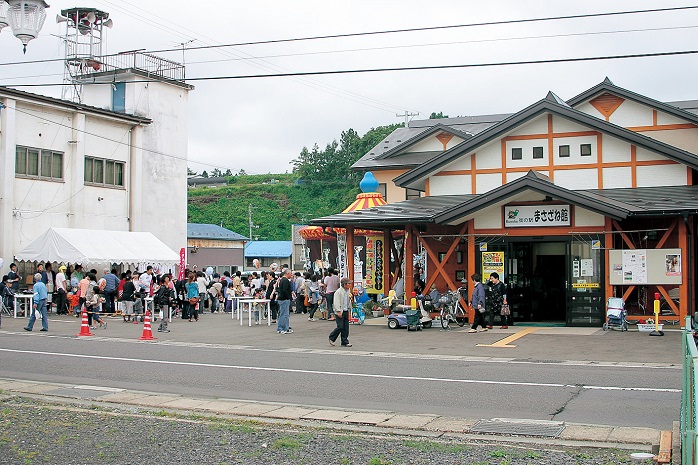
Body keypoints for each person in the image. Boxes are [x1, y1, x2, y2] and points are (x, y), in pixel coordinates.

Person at [329, 277, 353, 347]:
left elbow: (348, 301)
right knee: (340, 326)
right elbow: (336, 302)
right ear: (344, 284)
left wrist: (349, 309)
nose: (350, 285)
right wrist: (338, 311)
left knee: (346, 327)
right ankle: (332, 337)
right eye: (348, 283)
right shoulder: (338, 292)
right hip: (340, 311)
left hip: (346, 310)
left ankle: (344, 341)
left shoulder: (348, 291)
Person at [275, 269, 294, 334]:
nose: (291, 275)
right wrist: (289, 297)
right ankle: (282, 328)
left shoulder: (281, 280)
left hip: (281, 298)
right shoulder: (285, 281)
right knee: (285, 315)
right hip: (284, 299)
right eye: (290, 274)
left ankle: (283, 328)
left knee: (283, 314)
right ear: (287, 273)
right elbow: (285, 290)